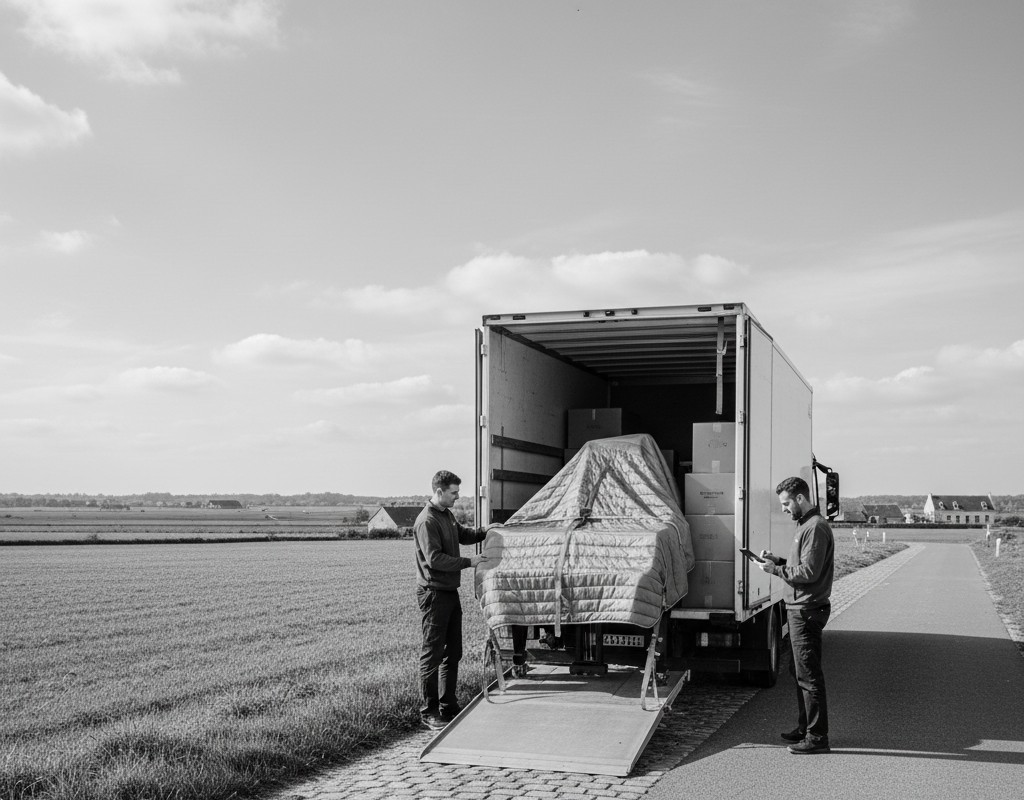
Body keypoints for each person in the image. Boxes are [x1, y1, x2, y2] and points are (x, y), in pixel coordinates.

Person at [757, 476, 835, 754]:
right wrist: (778, 561)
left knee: (809, 675)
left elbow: (809, 573)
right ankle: (805, 728)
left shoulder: (814, 528)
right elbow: (800, 565)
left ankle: (817, 738)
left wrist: (775, 571)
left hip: (806, 609)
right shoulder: (805, 525)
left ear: (800, 498)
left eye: (786, 503)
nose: (784, 509)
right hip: (798, 608)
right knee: (798, 670)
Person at [414, 469, 490, 731]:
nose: (458, 497)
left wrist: (486, 531)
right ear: (439, 491)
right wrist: (469, 562)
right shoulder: (427, 521)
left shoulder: (446, 515)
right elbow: (434, 559)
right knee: (432, 654)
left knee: (453, 652)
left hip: (449, 591)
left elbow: (464, 535)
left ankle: (449, 705)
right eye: (454, 492)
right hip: (434, 593)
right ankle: (429, 711)